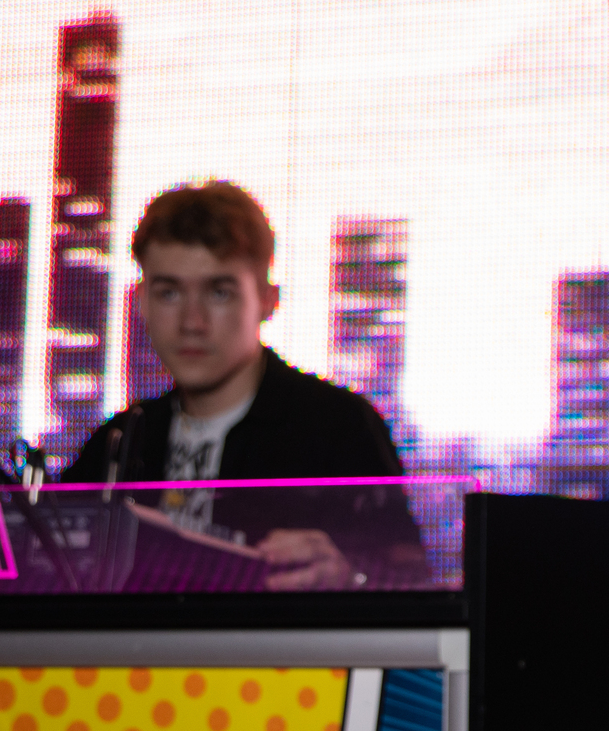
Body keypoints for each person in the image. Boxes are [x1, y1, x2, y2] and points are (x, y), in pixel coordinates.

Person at [64, 182, 425, 590]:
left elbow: (412, 583)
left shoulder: (337, 426)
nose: (192, 322)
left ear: (268, 300)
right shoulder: (116, 439)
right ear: (141, 301)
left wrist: (352, 579)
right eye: (169, 293)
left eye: (219, 292)